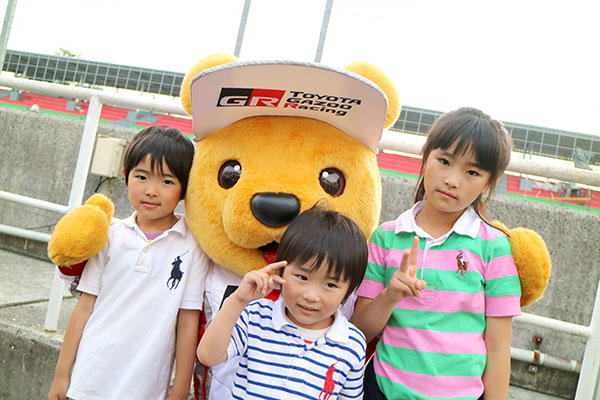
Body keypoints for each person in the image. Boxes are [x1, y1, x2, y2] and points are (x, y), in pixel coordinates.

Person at [352, 107, 521, 400]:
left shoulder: (494, 247)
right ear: (425, 157)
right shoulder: (386, 238)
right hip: (383, 390)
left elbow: (497, 348)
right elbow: (360, 331)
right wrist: (389, 296)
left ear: (488, 183)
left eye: (472, 172)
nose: (452, 180)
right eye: (444, 161)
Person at [47, 126, 210, 400]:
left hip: (145, 387)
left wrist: (180, 389)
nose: (151, 191)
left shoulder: (192, 245)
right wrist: (62, 375)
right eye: (142, 176)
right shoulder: (110, 235)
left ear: (185, 189)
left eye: (167, 182)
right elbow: (85, 307)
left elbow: (187, 321)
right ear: (126, 177)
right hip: (89, 380)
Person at [197, 205, 368, 400]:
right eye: (302, 277)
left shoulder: (351, 343)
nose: (311, 295)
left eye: (330, 284)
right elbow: (208, 356)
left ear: (349, 290)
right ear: (281, 270)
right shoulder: (255, 315)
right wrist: (238, 300)